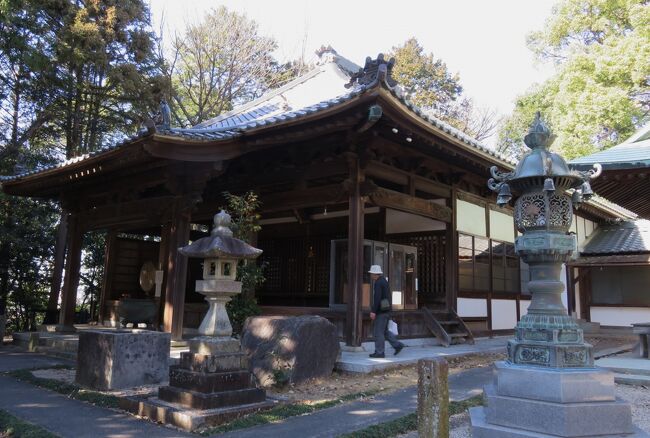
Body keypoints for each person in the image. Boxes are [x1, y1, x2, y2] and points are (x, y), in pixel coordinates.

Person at [368, 265, 404, 358]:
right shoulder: (384, 281)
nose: (371, 275)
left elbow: (377, 298)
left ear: (375, 274)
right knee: (384, 331)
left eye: (371, 273)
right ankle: (397, 345)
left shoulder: (378, 283)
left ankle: (380, 352)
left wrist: (373, 311)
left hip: (381, 311)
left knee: (378, 332)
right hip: (386, 311)